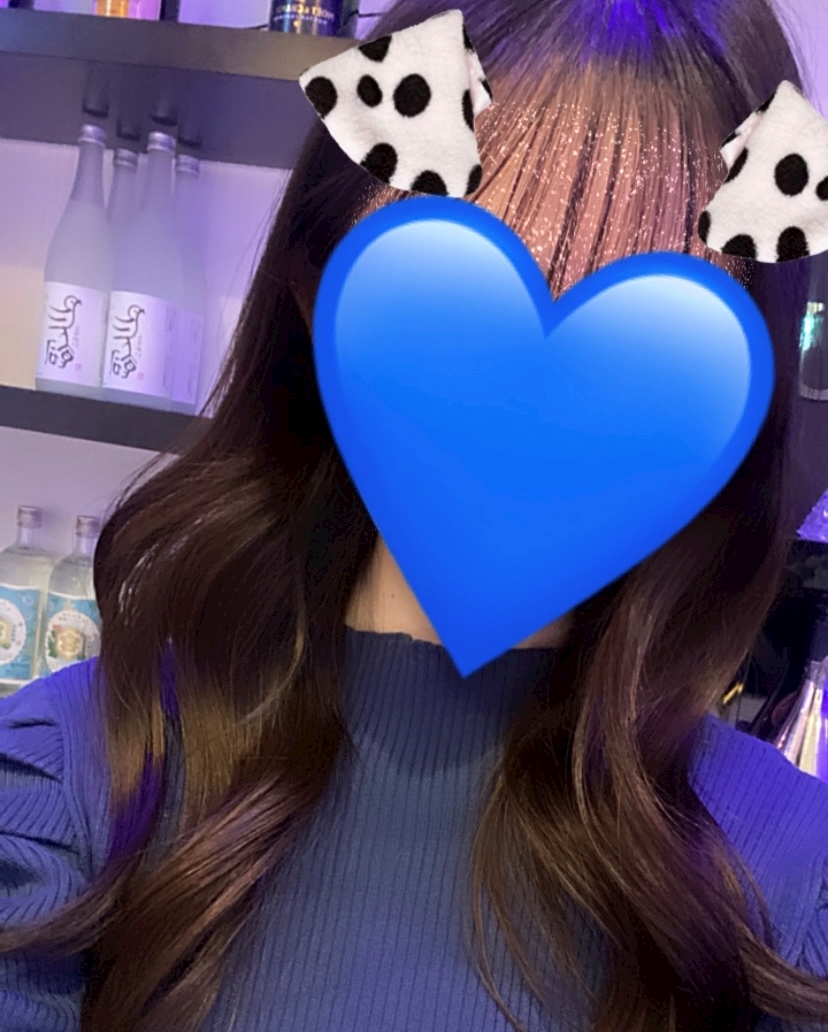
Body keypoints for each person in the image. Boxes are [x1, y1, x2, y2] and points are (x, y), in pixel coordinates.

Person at [1, 1, 827, 1030]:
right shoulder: (76, 780)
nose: (537, 395)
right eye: (454, 282)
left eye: (656, 333)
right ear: (319, 291)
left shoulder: (793, 884)